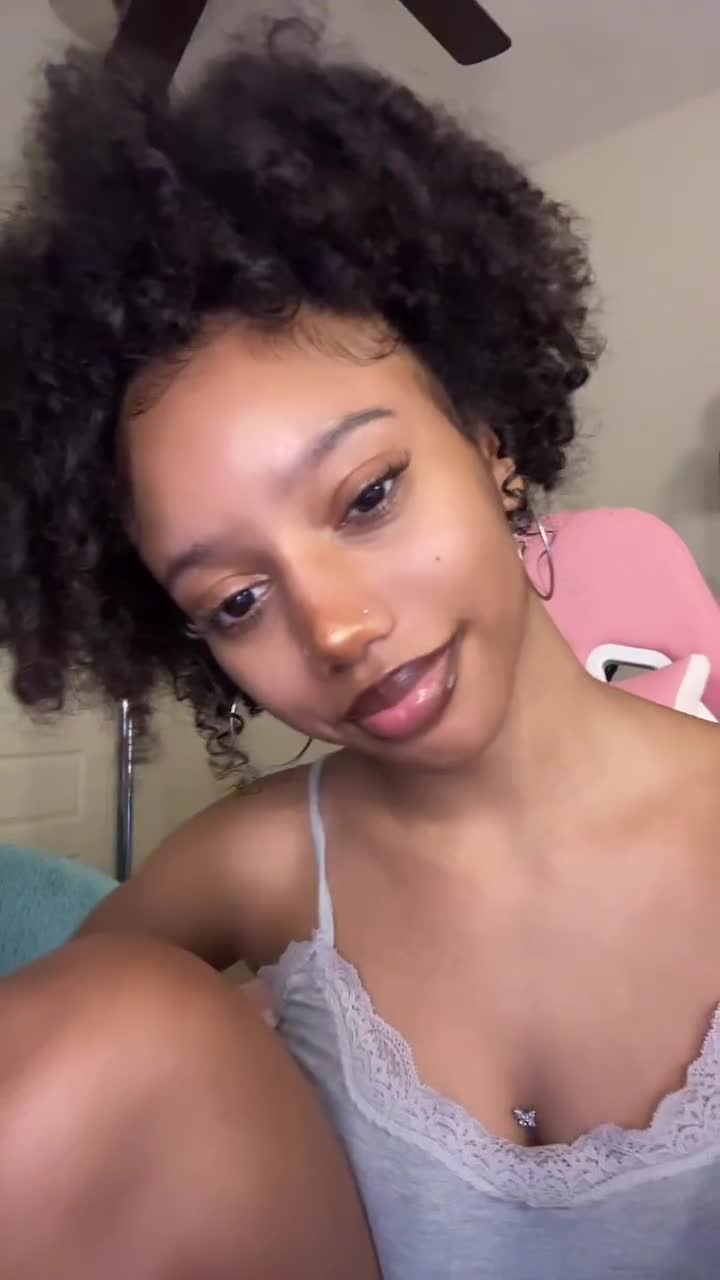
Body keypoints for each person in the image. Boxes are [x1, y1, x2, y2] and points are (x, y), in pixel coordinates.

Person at [1, 17, 719, 1280]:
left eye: (369, 496)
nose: (333, 627)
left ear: (488, 438)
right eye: (236, 600)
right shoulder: (257, 863)